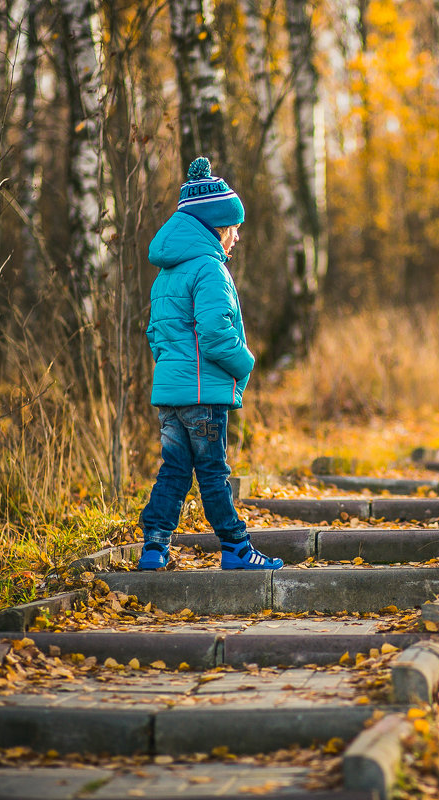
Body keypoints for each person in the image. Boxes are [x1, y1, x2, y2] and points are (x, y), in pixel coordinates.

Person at [136, 157, 282, 571]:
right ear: (217, 227)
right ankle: (236, 548)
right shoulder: (209, 269)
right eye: (234, 228)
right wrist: (245, 363)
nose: (236, 237)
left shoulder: (167, 273)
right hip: (203, 393)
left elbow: (155, 334)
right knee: (213, 472)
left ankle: (154, 547)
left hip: (172, 393)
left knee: (175, 471)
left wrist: (171, 372)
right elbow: (216, 334)